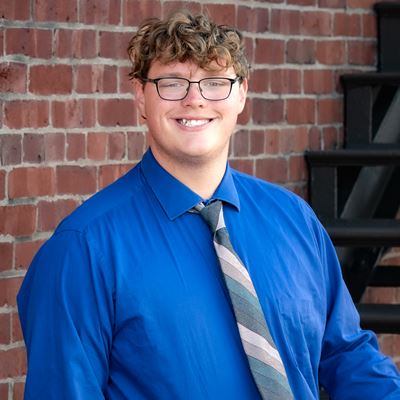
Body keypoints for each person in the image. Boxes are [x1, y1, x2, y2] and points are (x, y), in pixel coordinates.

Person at [17, 10, 400, 400]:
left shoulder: (295, 220)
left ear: (241, 94)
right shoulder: (82, 249)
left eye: (215, 82)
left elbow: (347, 354)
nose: (195, 100)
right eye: (172, 83)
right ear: (140, 96)